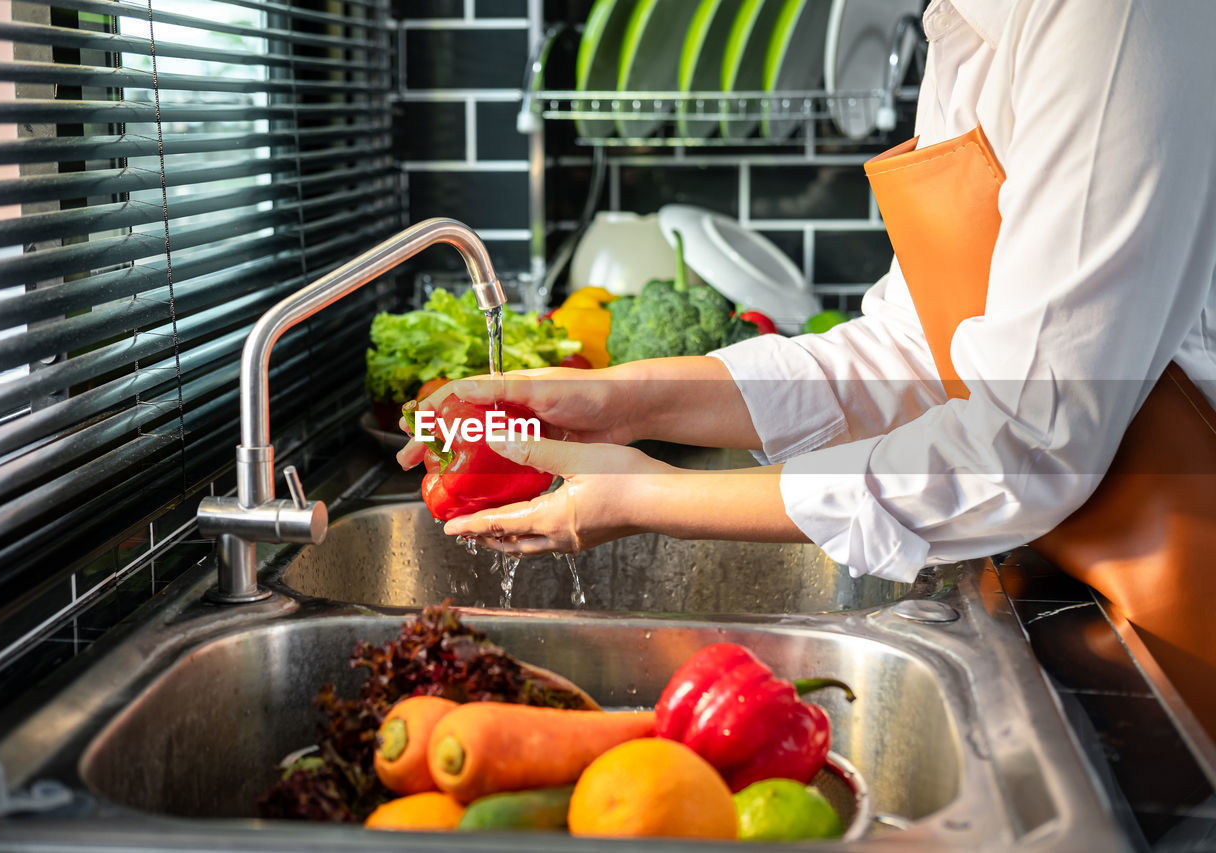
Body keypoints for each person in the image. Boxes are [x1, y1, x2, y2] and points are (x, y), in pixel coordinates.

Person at [399, 0, 1216, 732]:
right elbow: (911, 349)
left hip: (1189, 628)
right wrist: (615, 399)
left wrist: (649, 494)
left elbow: (1025, 445)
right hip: (1081, 579)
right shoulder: (967, 22)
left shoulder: (1113, 16)